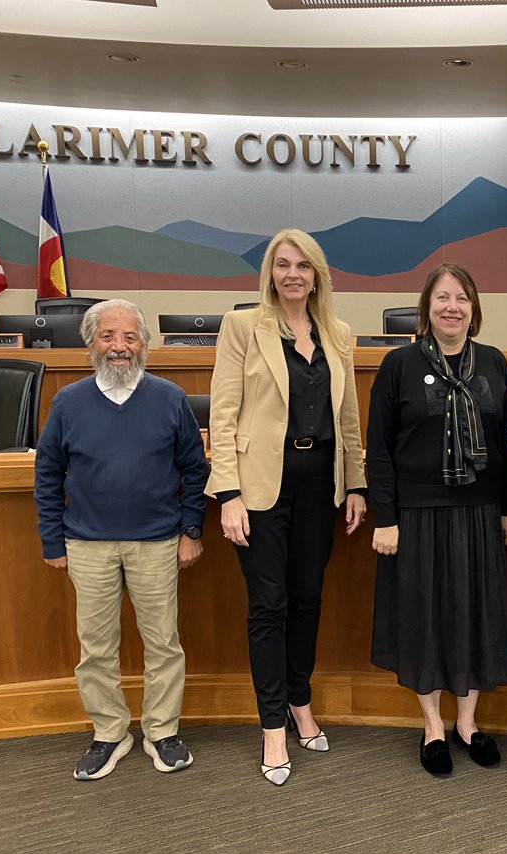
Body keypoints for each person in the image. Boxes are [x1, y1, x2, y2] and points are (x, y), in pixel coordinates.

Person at [207, 229, 367, 786]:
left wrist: (357, 484)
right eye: (283, 265)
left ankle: (301, 699)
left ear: (317, 273)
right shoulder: (241, 327)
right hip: (258, 490)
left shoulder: (338, 334)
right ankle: (272, 724)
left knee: (307, 598)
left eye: (303, 265)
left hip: (321, 482)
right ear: (270, 273)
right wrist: (227, 494)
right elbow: (222, 415)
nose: (293, 274)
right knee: (268, 604)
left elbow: (348, 419)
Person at [35, 298, 208, 780]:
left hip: (156, 542)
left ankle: (162, 731)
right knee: (95, 647)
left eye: (130, 337)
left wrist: (191, 530)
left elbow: (196, 471)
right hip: (86, 545)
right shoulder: (68, 401)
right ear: (91, 343)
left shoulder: (170, 398)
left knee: (163, 643)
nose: (119, 347)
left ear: (144, 345)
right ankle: (110, 733)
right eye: (108, 336)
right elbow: (47, 473)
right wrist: (52, 540)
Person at [368, 263, 507, 776]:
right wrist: (384, 518)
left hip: (479, 513)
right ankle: (433, 724)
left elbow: (506, 446)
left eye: (462, 298)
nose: (452, 307)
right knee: (426, 618)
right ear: (426, 308)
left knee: (474, 614)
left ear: (474, 307)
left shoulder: (494, 363)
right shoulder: (398, 365)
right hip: (417, 516)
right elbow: (380, 450)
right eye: (442, 298)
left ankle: (468, 722)